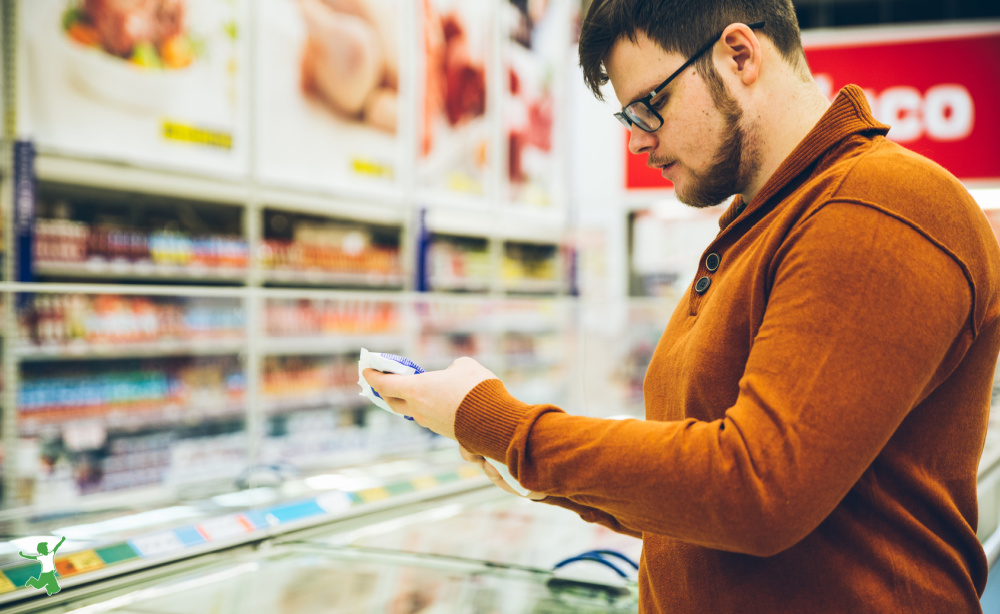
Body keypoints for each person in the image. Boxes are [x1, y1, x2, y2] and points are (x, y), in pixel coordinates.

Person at [364, 0, 1000, 611]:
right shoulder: (758, 224)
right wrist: (527, 463)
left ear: (740, 55)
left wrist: (500, 424)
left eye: (650, 105)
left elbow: (758, 489)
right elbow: (694, 491)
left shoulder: (879, 201)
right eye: (628, 118)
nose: (639, 142)